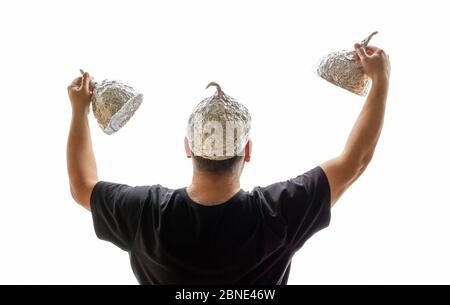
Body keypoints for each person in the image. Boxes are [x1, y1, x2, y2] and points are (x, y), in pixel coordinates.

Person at [66, 43, 390, 284]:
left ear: (188, 148)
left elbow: (82, 186)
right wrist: (381, 80)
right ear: (247, 151)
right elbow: (355, 161)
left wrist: (80, 110)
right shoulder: (279, 213)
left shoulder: (145, 214)